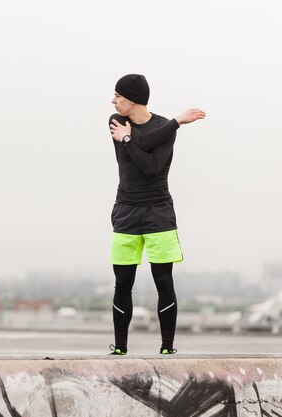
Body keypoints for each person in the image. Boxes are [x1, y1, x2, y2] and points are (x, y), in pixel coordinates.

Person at [107, 74, 205, 355]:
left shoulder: (163, 127)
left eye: (118, 95)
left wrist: (129, 141)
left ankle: (167, 348)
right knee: (123, 282)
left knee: (163, 280)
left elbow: (150, 167)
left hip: (158, 213)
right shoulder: (117, 121)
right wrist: (176, 123)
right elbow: (144, 146)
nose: (113, 100)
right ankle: (120, 348)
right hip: (126, 210)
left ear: (133, 98)